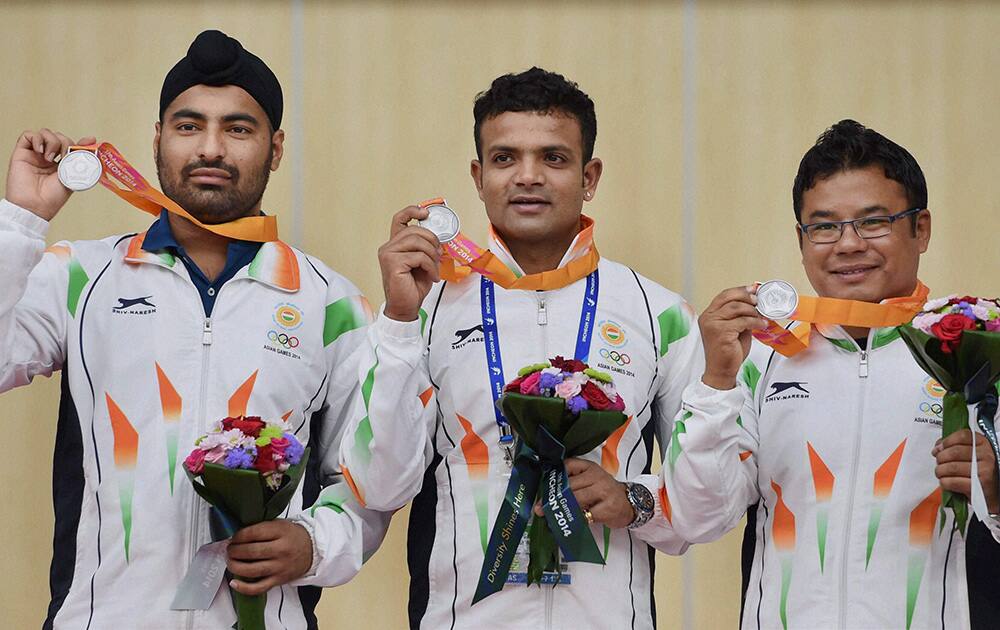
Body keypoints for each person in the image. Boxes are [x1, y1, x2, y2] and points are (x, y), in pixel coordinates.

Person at [0, 30, 385, 629]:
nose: (211, 148)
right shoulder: (80, 275)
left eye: (238, 128)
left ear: (275, 147)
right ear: (156, 139)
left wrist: (314, 543)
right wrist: (22, 220)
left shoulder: (331, 303)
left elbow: (366, 479)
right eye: (188, 125)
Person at [339, 67, 703, 629]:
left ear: (590, 176)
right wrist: (399, 320)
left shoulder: (659, 315)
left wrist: (636, 499)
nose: (527, 177)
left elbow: (707, 501)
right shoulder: (424, 309)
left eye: (553, 158)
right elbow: (378, 484)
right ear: (479, 175)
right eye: (505, 158)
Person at [662, 119, 1000, 629]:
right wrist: (716, 382)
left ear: (921, 228)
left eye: (874, 222)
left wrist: (995, 489)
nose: (847, 244)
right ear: (801, 239)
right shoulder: (759, 357)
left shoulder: (977, 348)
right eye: (824, 226)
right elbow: (696, 519)